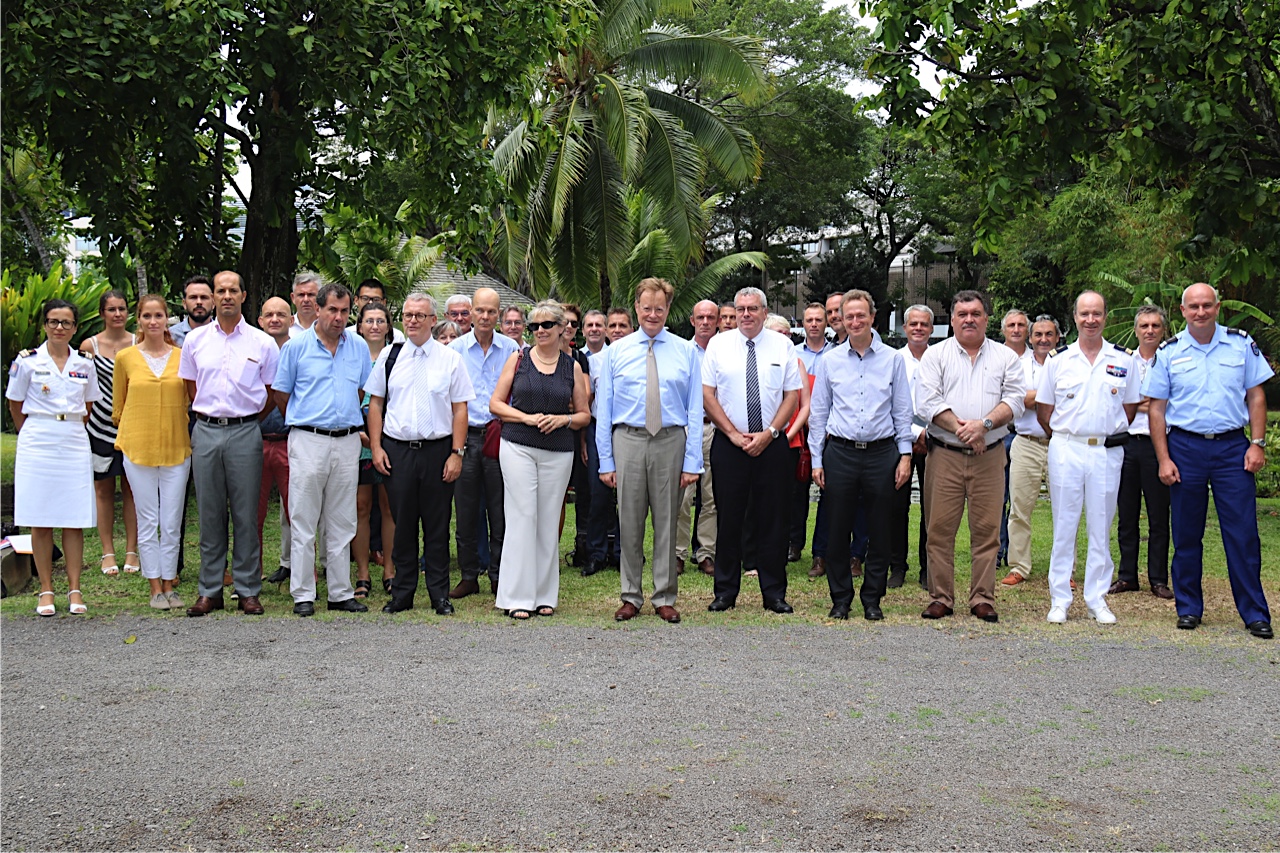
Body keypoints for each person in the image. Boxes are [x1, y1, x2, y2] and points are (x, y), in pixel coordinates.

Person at [1143, 283, 1274, 639]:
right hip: (1185, 448)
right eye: (1193, 307)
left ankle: (1254, 613)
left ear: (1218, 307)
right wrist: (1164, 458)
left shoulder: (1240, 344)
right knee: (1186, 533)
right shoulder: (1169, 352)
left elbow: (1256, 396)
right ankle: (1188, 608)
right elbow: (1157, 408)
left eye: (1207, 305)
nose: (1200, 312)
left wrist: (1257, 444)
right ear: (1183, 312)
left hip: (1233, 448)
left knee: (1243, 534)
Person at [596, 278, 703, 624]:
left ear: (668, 309)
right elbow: (605, 409)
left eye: (659, 308)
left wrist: (692, 462)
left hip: (670, 441)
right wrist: (606, 461)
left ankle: (664, 596)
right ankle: (630, 595)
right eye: (646, 307)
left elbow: (695, 409)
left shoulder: (686, 351)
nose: (652, 314)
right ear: (636, 308)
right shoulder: (616, 352)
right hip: (628, 440)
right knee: (629, 522)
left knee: (667, 522)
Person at [915, 290, 1025, 623]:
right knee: (939, 530)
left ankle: (982, 598)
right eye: (962, 314)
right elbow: (927, 403)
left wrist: (985, 425)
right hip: (945, 454)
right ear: (952, 319)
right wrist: (965, 430)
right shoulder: (935, 356)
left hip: (990, 455)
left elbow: (1016, 400)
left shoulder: (1006, 358)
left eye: (975, 313)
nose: (969, 319)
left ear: (987, 319)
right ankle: (941, 597)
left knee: (987, 530)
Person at [808, 289, 914, 620]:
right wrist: (816, 460)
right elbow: (818, 413)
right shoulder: (830, 361)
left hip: (882, 454)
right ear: (840, 319)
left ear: (872, 317)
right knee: (837, 530)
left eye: (861, 315)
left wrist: (906, 455)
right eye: (848, 316)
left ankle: (872, 598)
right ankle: (841, 598)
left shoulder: (893, 359)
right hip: (840, 452)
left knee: (880, 531)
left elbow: (902, 411)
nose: (855, 321)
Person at [179, 270, 279, 617]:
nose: (225, 296)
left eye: (232, 290)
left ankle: (248, 589)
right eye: (219, 291)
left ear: (243, 295)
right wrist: (211, 416)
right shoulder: (194, 341)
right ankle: (209, 590)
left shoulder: (261, 342)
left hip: (245, 431)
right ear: (213, 297)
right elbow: (192, 388)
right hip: (205, 430)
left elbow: (271, 393)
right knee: (209, 513)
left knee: (246, 514)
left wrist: (245, 416)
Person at [1037, 292, 1139, 624]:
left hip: (1106, 450)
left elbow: (1130, 407)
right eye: (1085, 314)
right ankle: (1059, 598)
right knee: (1064, 524)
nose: (1090, 320)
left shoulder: (1124, 359)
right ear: (1075, 317)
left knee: (1101, 524)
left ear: (1105, 317)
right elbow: (1044, 410)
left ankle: (1097, 598)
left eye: (1097, 313)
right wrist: (1066, 435)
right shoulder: (1058, 359)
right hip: (1066, 446)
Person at [368, 293, 474, 615]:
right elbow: (375, 403)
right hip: (398, 451)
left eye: (419, 315)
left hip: (438, 451)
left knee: (437, 525)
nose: (412, 320)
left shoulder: (450, 359)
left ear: (432, 320)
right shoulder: (389, 356)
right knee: (402, 526)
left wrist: (457, 453)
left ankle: (439, 595)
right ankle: (402, 593)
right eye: (407, 315)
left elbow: (460, 410)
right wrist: (375, 447)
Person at [702, 287, 803, 613]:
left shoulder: (783, 345)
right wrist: (731, 434)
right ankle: (725, 592)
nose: (746, 314)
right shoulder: (719, 345)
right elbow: (707, 394)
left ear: (764, 311)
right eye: (741, 308)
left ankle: (773, 593)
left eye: (753, 309)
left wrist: (771, 432)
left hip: (771, 444)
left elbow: (792, 396)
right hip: (730, 445)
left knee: (773, 519)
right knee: (728, 518)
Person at [273, 282, 371, 617]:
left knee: (342, 520)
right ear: (317, 309)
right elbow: (281, 394)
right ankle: (303, 593)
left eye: (345, 311)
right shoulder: (296, 347)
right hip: (308, 438)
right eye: (333, 310)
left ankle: (340, 593)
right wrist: (307, 419)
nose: (339, 317)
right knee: (303, 518)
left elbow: (360, 391)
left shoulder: (357, 347)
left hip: (346, 441)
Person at [488, 301, 590, 619]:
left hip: (558, 451)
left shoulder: (571, 366)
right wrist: (528, 419)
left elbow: (584, 414)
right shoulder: (518, 359)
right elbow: (495, 404)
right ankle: (516, 596)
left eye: (547, 325)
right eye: (535, 326)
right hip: (518, 445)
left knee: (547, 521)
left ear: (562, 328)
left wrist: (564, 421)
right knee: (521, 517)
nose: (540, 331)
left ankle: (544, 595)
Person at [7, 299, 100, 616]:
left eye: (66, 322)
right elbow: (15, 404)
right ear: (44, 324)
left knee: (73, 519)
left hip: (72, 438)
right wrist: (33, 432)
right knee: (41, 517)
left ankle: (75, 589)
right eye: (53, 321)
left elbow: (87, 407)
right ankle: (46, 590)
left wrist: (66, 428)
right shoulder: (28, 361)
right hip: (38, 439)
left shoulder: (85, 363)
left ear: (75, 327)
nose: (59, 328)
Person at [112, 294, 191, 610]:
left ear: (167, 319)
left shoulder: (182, 356)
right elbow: (119, 407)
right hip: (138, 447)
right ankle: (154, 585)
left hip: (176, 447)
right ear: (139, 320)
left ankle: (170, 582)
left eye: (159, 315)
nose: (153, 321)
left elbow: (188, 400)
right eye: (147, 316)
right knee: (148, 519)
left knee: (172, 519)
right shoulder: (126, 357)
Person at [448, 287, 518, 598]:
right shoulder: (456, 350)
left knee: (500, 510)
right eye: (480, 311)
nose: (485, 317)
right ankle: (468, 575)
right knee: (465, 510)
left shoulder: (513, 349)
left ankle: (498, 575)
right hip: (467, 436)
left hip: (500, 436)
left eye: (492, 311)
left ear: (499, 315)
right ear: (472, 312)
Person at [1112, 305, 1174, 599]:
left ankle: (1158, 579)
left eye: (1155, 326)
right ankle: (1127, 575)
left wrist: (1137, 401)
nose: (1150, 330)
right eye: (1144, 326)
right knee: (1126, 513)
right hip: (1126, 444)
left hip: (1157, 445)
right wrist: (1147, 400)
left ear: (1164, 330)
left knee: (1158, 515)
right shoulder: (1124, 362)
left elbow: (1169, 403)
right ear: (1136, 330)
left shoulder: (1171, 360)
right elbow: (1117, 401)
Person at [80, 289, 139, 576]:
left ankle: (131, 551)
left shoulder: (139, 342)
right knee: (103, 490)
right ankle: (107, 552)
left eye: (122, 309)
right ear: (103, 313)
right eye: (111, 309)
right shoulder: (89, 346)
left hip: (133, 426)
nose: (117, 314)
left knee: (132, 489)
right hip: (98, 427)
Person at [1001, 314, 1061, 586]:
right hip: (1025, 443)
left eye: (1049, 334)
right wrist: (1051, 395)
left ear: (1057, 337)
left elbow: (1073, 396)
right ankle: (1019, 566)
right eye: (1038, 334)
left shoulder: (1068, 362)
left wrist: (1033, 397)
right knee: (1019, 509)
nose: (1043, 339)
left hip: (1060, 443)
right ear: (1031, 337)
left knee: (1065, 510)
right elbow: (1014, 398)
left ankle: (1064, 571)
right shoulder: (1017, 364)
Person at [353, 301, 398, 598]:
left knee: (389, 509)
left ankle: (390, 570)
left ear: (389, 327)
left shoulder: (398, 357)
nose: (374, 326)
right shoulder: (351, 357)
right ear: (359, 326)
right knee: (360, 508)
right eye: (369, 320)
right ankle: (362, 574)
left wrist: (381, 439)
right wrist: (364, 434)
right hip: (358, 444)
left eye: (380, 321)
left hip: (389, 443)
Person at [889, 304, 932, 589]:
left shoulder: (941, 358)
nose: (918, 328)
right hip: (899, 439)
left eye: (924, 324)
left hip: (934, 441)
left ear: (931, 329)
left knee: (933, 510)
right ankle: (897, 567)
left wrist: (928, 434)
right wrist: (914, 433)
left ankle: (929, 569)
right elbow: (891, 401)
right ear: (905, 328)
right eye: (913, 323)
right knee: (895, 508)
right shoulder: (893, 359)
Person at [676, 299, 720, 577]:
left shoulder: (726, 351)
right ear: (692, 321)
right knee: (682, 495)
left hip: (716, 428)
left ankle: (706, 552)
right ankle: (678, 553)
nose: (705, 322)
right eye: (700, 317)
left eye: (710, 317)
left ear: (717, 321)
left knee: (712, 496)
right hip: (686, 430)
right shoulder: (680, 351)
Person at [256, 297, 293, 585]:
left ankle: (299, 571)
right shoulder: (251, 350)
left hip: (289, 441)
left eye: (281, 314)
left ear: (292, 320)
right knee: (252, 513)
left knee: (297, 511)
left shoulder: (299, 351)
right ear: (260, 320)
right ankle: (251, 573)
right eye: (269, 314)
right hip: (254, 440)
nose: (275, 319)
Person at [790, 302, 830, 563]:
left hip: (828, 431)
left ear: (826, 323)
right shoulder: (791, 354)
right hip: (797, 430)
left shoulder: (837, 354)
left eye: (818, 319)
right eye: (809, 320)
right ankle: (794, 543)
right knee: (795, 492)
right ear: (802, 324)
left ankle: (823, 551)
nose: (814, 324)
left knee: (829, 492)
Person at [997, 309, 1030, 568]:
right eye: (1011, 325)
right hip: (998, 433)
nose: (1016, 329)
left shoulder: (1037, 359)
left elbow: (1038, 398)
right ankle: (997, 552)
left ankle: (1015, 554)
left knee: (1020, 500)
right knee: (997, 497)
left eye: (1021, 325)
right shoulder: (994, 357)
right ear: (1003, 329)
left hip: (1026, 435)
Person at [170, 275, 214, 346]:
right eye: (193, 297)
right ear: (184, 303)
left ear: (213, 303)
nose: (199, 302)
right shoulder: (171, 336)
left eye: (204, 297)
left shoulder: (223, 335)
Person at [288, 272, 321, 337]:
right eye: (301, 295)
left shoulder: (328, 327)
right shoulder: (286, 327)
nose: (306, 300)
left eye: (311, 294)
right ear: (293, 298)